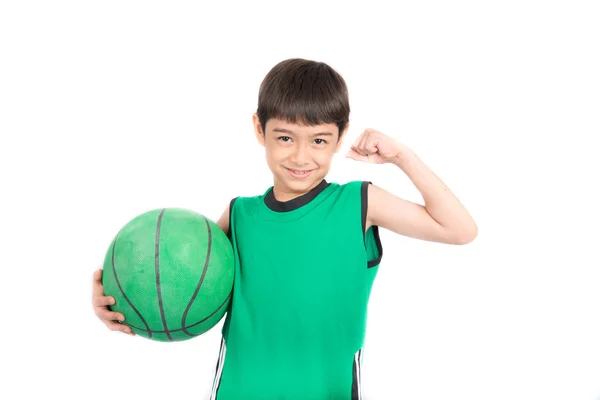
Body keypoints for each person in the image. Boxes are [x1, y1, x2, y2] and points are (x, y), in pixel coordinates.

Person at [92, 58, 478, 399]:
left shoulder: (359, 205)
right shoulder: (238, 215)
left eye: (319, 140)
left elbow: (459, 229)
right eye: (285, 137)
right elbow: (174, 280)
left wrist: (401, 157)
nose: (300, 156)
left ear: (341, 137)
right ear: (259, 130)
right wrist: (115, 301)